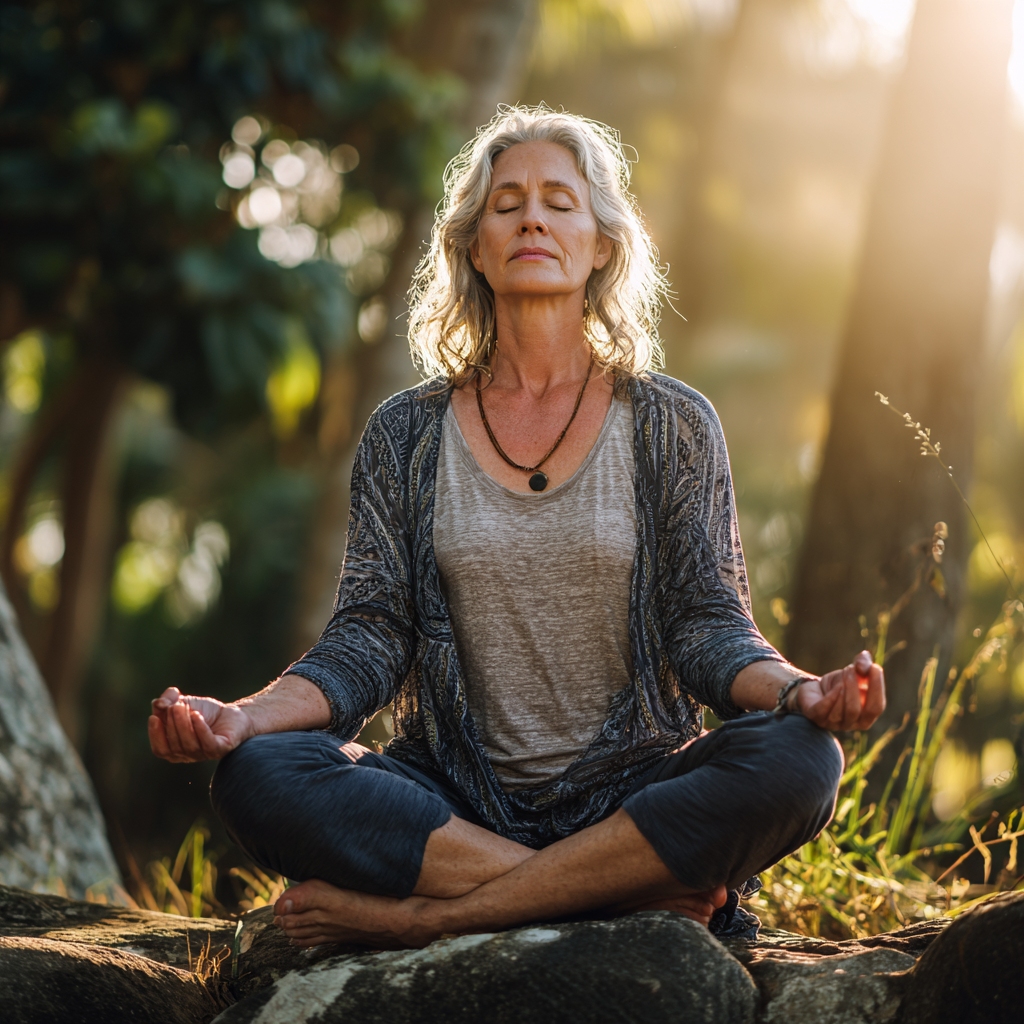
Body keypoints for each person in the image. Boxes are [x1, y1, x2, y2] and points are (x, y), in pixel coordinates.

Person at [149, 106, 884, 951]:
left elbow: (706, 625)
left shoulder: (671, 423)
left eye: (559, 200)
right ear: (473, 245)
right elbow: (369, 639)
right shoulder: (406, 433)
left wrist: (803, 694)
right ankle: (613, 891)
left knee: (800, 759)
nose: (532, 215)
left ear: (602, 243)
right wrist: (241, 717)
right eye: (507, 204)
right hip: (452, 806)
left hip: (629, 797)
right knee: (261, 772)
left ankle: (425, 919)